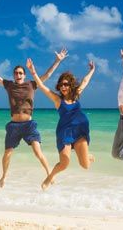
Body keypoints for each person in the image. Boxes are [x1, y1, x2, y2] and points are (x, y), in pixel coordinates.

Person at [0, 49, 68, 188]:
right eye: (16, 73)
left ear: (24, 75)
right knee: (7, 153)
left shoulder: (32, 84)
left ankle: (49, 175)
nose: (18, 75)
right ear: (14, 75)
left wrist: (57, 60)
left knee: (38, 152)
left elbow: (47, 75)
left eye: (21, 73)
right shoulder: (9, 85)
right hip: (14, 126)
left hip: (29, 125)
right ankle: (3, 176)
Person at [26, 58, 95, 190]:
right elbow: (41, 87)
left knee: (85, 166)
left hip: (80, 130)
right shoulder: (58, 100)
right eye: (62, 85)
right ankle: (49, 177)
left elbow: (85, 81)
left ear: (71, 85)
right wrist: (33, 72)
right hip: (65, 132)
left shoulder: (76, 95)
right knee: (65, 163)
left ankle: (87, 156)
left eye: (66, 84)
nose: (63, 87)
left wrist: (92, 70)